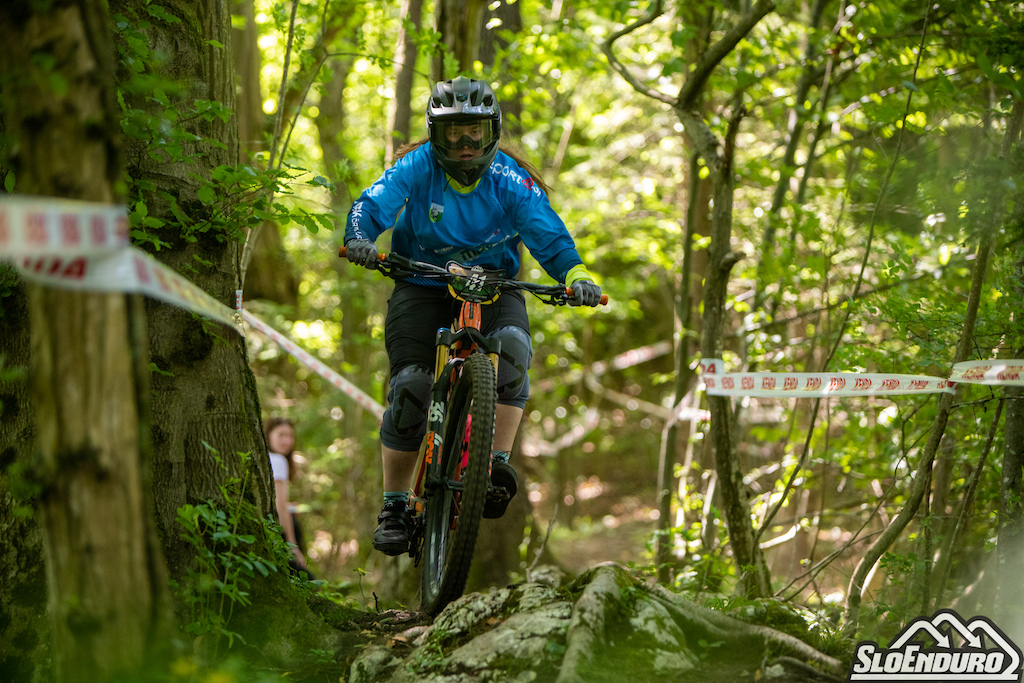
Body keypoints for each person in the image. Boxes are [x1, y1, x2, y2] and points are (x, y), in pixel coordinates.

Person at [344, 75, 603, 556]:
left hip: (495, 286)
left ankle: (493, 464)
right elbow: (371, 204)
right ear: (434, 134)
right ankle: (395, 505)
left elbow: (551, 236)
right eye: (453, 133)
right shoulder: (416, 167)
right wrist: (360, 236)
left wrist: (576, 275)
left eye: (475, 133)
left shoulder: (511, 180)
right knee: (411, 390)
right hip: (420, 284)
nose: (465, 145)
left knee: (515, 351)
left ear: (493, 131)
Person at [264, 416, 311, 574]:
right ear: (268, 435)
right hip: (280, 533)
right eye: (281, 435)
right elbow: (280, 506)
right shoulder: (278, 460)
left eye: (290, 436)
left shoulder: (267, 459)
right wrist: (293, 546)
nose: (287, 440)